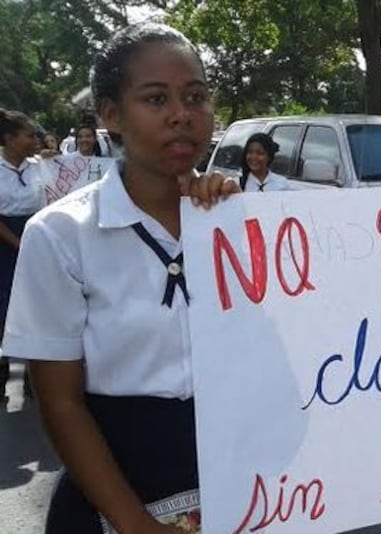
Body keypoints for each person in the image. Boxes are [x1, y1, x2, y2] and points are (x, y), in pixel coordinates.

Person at [3, 23, 237, 532]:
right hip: (115, 491)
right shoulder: (62, 234)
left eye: (195, 96)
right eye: (156, 99)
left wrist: (241, 222)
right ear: (111, 115)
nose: (182, 114)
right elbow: (61, 402)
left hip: (235, 478)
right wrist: (134, 524)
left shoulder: (238, 222)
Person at [0, 109, 44, 403]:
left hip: (37, 237)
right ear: (9, 139)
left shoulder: (41, 167)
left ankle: (30, 371)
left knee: (35, 306)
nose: (35, 140)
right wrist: (18, 243)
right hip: (6, 241)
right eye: (29, 135)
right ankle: (7, 371)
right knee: (6, 304)